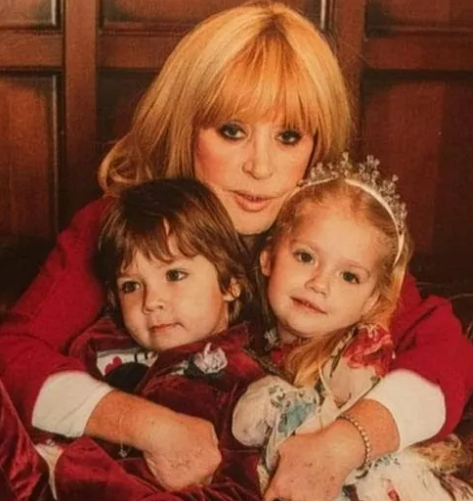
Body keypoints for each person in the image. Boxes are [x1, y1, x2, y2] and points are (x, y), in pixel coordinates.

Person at [0, 2, 471, 500]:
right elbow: (14, 351)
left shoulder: (329, 235)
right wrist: (147, 425)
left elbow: (442, 350)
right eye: (232, 131)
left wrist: (342, 445)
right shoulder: (118, 222)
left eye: (288, 136)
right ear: (184, 126)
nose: (260, 167)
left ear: (316, 146)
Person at [232, 154, 473, 501]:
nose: (319, 284)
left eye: (348, 276)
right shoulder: (246, 342)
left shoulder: (365, 349)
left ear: (372, 298)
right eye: (305, 257)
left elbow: (446, 359)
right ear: (267, 257)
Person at [40, 177, 266, 500]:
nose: (151, 301)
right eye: (131, 285)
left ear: (231, 283)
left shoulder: (240, 380)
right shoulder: (99, 342)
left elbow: (238, 491)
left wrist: (70, 469)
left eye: (174, 275)